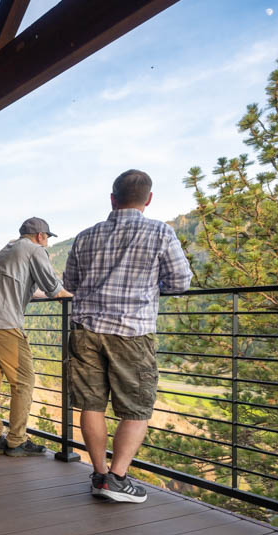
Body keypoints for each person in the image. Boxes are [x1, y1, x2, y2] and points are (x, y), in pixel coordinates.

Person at [64, 169, 191, 503]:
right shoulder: (160, 232)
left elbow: (72, 283)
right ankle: (117, 478)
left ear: (112, 198)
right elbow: (180, 281)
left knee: (90, 405)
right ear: (148, 200)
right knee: (136, 409)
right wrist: (148, 286)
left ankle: (99, 474)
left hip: (85, 329)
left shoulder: (86, 236)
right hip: (132, 331)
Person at [0, 218, 72, 457]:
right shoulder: (34, 250)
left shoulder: (7, 250)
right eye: (47, 238)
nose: (47, 243)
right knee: (24, 380)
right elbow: (54, 288)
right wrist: (75, 298)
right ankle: (17, 440)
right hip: (4, 324)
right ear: (40, 236)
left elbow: (21, 285)